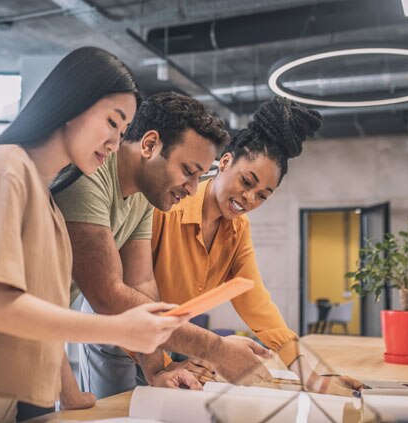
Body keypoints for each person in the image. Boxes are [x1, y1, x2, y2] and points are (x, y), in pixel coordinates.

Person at [0, 47, 189, 423]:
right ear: (73, 103)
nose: (114, 143)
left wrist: (71, 395)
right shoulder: (4, 169)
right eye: (112, 122)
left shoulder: (44, 201)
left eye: (123, 131)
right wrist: (118, 328)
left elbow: (43, 316)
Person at [52, 91, 273, 400]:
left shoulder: (145, 195)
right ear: (150, 144)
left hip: (42, 342)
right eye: (188, 171)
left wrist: (156, 370)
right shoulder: (89, 177)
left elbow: (141, 282)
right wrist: (216, 349)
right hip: (2, 341)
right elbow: (108, 296)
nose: (193, 188)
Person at [150, 96, 365, 396]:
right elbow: (136, 297)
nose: (250, 198)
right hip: (124, 344)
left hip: (170, 345)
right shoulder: (169, 206)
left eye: (263, 195)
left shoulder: (237, 230)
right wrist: (164, 365)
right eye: (247, 181)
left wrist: (312, 378)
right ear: (225, 162)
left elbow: (258, 305)